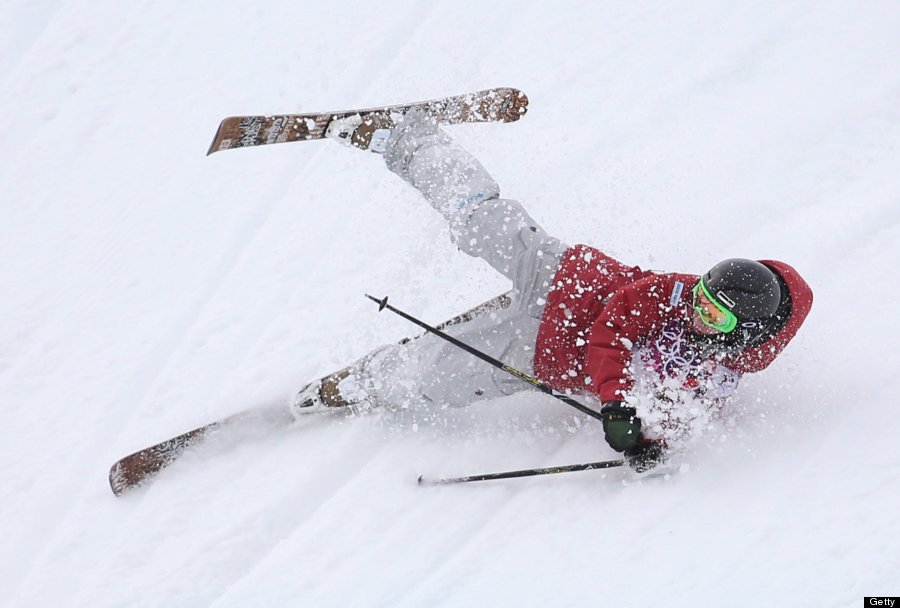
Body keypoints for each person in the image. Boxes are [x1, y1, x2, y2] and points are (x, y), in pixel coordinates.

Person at [292, 110, 813, 472]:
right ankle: (408, 138)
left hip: (540, 351)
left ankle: (361, 381)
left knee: (434, 380)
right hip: (564, 278)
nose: (697, 312)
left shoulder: (711, 382)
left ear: (741, 335)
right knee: (480, 220)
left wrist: (645, 444)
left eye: (715, 317)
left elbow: (673, 424)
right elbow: (615, 325)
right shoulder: (674, 294)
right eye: (700, 296)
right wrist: (615, 400)